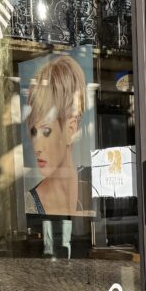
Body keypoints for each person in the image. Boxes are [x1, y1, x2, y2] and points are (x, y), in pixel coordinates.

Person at [24, 56, 90, 216]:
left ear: (71, 129)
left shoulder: (95, 186)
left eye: (46, 131)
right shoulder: (29, 205)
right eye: (33, 132)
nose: (37, 147)